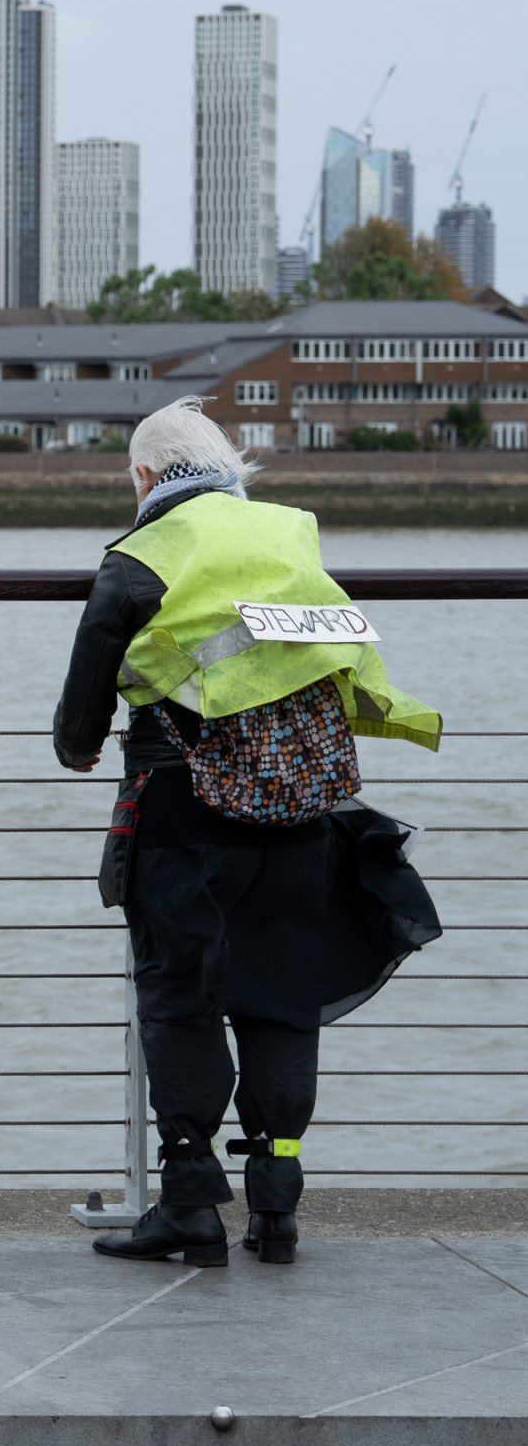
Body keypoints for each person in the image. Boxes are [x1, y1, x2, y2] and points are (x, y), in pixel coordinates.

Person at [53, 399, 441, 1267]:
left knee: (179, 994)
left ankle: (190, 1205)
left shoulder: (143, 553)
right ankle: (275, 1205)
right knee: (281, 993)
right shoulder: (289, 533)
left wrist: (76, 745)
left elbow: (90, 677)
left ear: (145, 477)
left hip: (182, 807)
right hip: (301, 801)